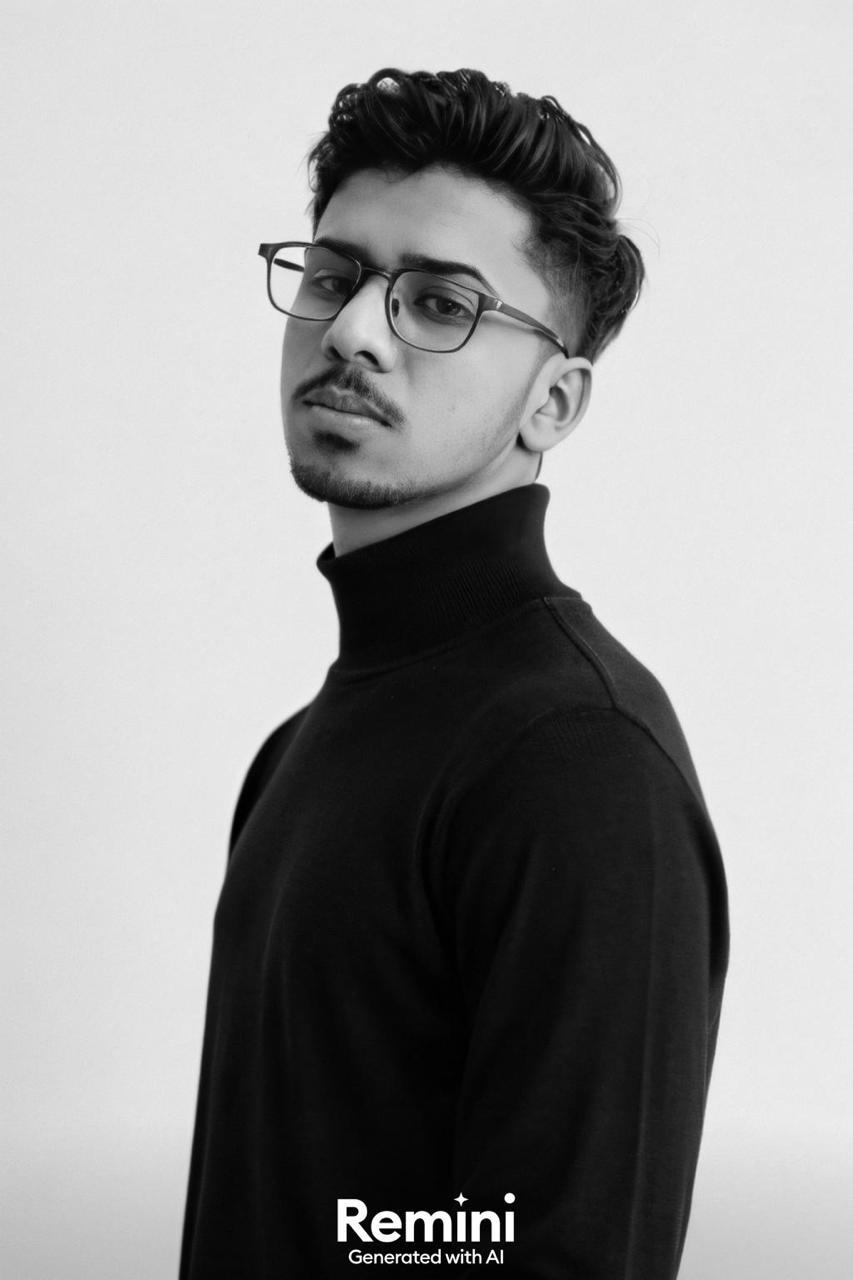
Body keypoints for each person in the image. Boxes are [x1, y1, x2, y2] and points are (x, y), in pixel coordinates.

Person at [179, 68, 729, 1279]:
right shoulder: (299, 748)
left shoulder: (575, 756)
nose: (352, 331)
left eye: (440, 303)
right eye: (333, 277)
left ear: (553, 401)